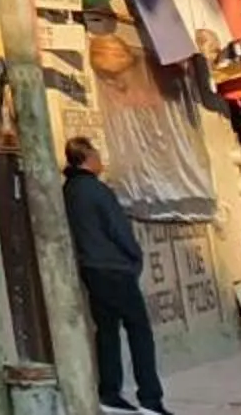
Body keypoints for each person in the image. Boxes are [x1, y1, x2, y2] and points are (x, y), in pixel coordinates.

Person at [65, 136, 172, 415]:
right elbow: (119, 230)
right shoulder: (98, 191)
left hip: (91, 268)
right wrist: (135, 256)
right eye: (98, 155)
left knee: (107, 330)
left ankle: (110, 393)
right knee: (139, 330)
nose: (102, 160)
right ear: (87, 158)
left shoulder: (69, 191)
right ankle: (150, 399)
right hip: (115, 268)